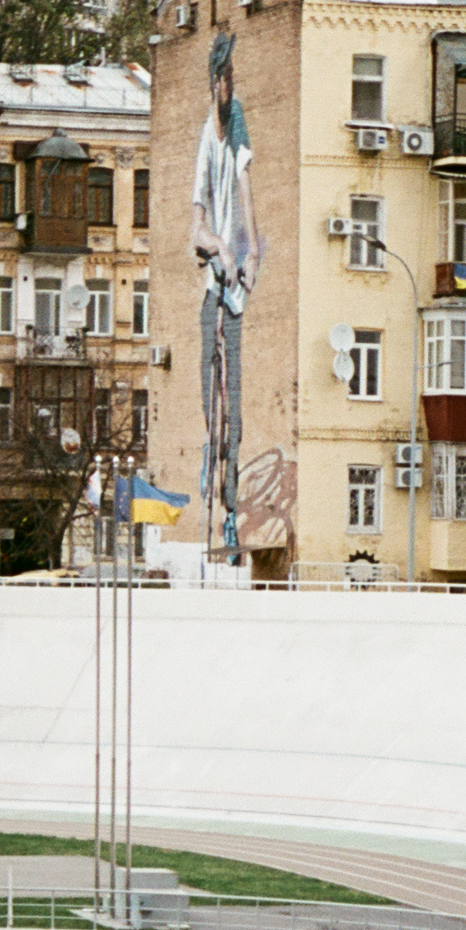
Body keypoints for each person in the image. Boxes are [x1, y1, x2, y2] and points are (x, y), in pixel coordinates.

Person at [188, 31, 259, 564]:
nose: (227, 87)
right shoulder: (205, 142)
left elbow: (249, 205)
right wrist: (220, 250)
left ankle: (232, 513)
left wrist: (250, 256)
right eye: (222, 78)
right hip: (213, 285)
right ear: (212, 84)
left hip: (235, 290)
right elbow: (198, 228)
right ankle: (210, 481)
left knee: (234, 402)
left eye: (232, 78)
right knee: (211, 394)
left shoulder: (238, 136)